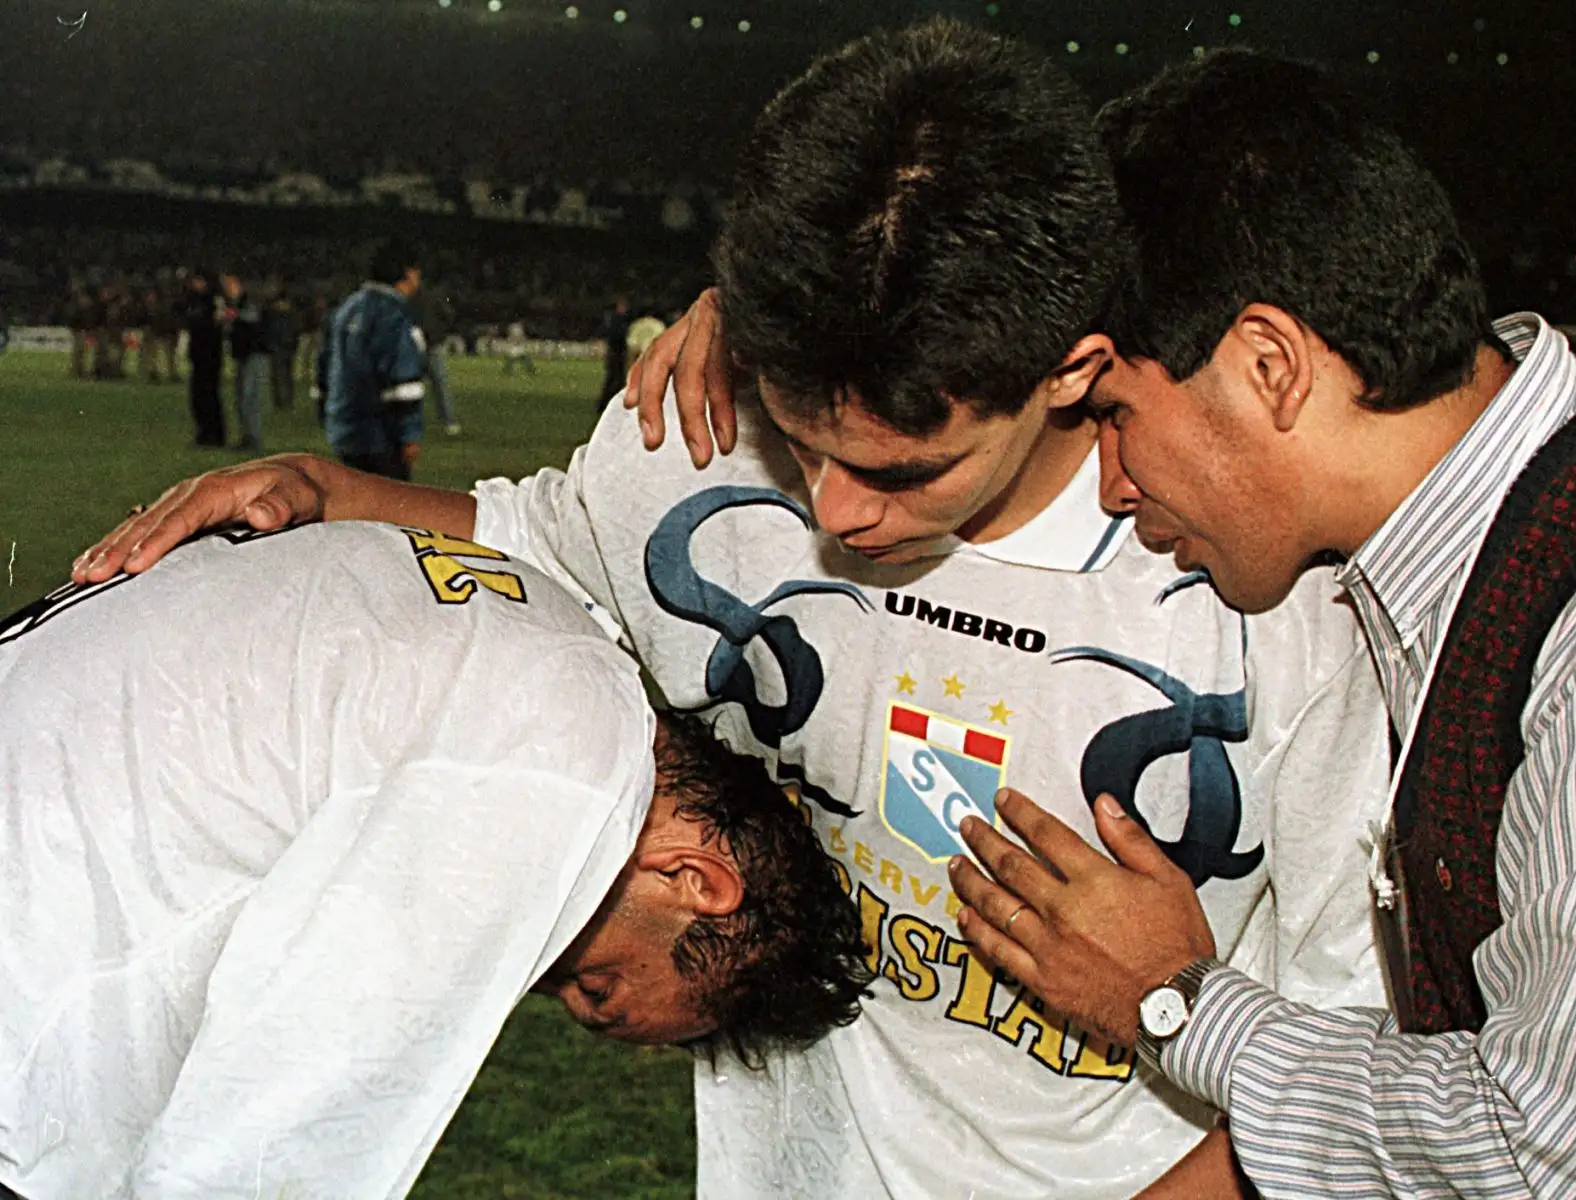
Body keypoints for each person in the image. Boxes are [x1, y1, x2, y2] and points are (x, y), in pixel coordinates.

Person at [71, 23, 1391, 1199]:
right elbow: (556, 549)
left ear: (1070, 372)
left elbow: (1354, 1048)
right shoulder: (698, 448)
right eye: (805, 441)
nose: (837, 515)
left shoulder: (1274, 598)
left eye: (902, 469)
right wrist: (329, 489)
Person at [945, 50, 1576, 1199]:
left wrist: (1176, 1002)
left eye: (1115, 414)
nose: (1110, 481)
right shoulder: (1447, 535)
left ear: (1270, 366)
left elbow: (1552, 1157)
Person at [2, 520, 868, 1200]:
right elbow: (269, 1146)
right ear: (696, 881)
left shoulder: (549, 627)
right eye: (599, 991)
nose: (550, 987)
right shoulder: (555, 778)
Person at [319, 240, 430, 480]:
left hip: (343, 429)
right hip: (380, 433)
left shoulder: (347, 308)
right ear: (408, 273)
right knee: (388, 509)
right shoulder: (393, 313)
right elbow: (403, 381)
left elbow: (324, 366)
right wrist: (409, 434)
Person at [181, 270, 226, 446]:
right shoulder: (193, 300)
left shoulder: (212, 301)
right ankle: (204, 433)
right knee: (198, 397)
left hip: (210, 356)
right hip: (199, 356)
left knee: (209, 396)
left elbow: (213, 324)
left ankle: (214, 435)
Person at [225, 276, 271, 450]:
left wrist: (234, 316)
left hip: (254, 354)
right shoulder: (238, 303)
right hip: (243, 355)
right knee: (241, 398)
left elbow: (252, 322)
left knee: (250, 397)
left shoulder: (250, 302)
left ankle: (253, 438)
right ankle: (246, 436)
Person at [419, 288, 463, 435]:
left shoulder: (410, 297)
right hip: (432, 345)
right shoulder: (436, 296)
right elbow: (449, 315)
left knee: (410, 384)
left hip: (420, 346)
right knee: (440, 384)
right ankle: (449, 422)